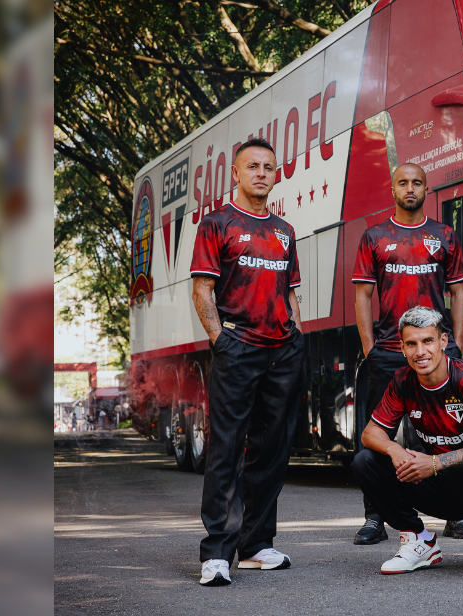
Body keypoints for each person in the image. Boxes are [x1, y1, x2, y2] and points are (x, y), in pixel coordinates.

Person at [189, 137, 306, 587]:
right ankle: (217, 552)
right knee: (225, 448)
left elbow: (290, 291)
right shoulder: (216, 224)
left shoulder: (284, 231)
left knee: (272, 450)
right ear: (235, 174)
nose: (261, 173)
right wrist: (221, 341)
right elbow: (202, 290)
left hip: (283, 351)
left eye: (268, 167)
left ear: (276, 174)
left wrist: (296, 333)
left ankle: (256, 545)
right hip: (238, 349)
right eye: (252, 166)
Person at [351, 163, 463, 544]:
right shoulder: (374, 236)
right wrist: (370, 349)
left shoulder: (445, 235)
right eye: (403, 183)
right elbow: (362, 295)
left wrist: (452, 344)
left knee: (448, 434)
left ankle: (456, 514)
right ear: (393, 189)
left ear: (427, 188)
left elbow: (458, 293)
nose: (410, 188)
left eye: (417, 183)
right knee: (378, 436)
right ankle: (375, 518)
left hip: (437, 355)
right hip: (389, 352)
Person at [351, 306, 463, 574]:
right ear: (402, 347)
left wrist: (435, 463)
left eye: (427, 341)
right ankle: (418, 541)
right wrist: (394, 449)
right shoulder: (402, 381)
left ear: (443, 341)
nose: (420, 352)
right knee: (366, 461)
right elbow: (369, 434)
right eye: (411, 343)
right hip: (437, 489)